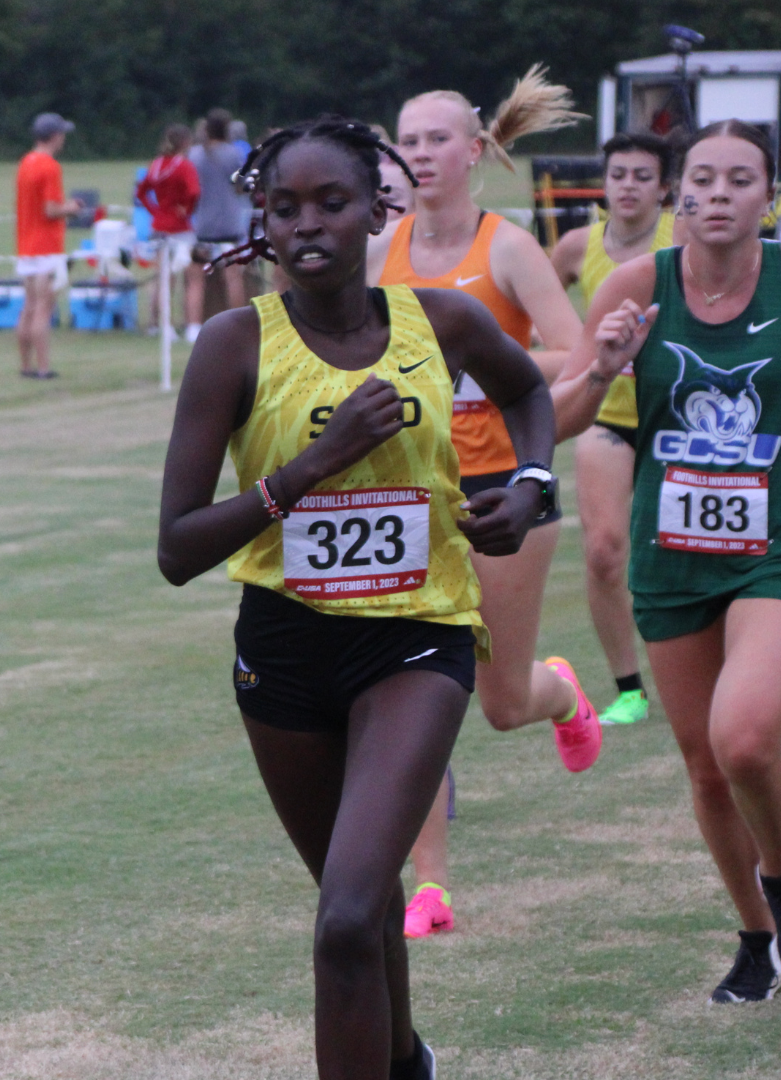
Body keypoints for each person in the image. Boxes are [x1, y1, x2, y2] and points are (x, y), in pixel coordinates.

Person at [158, 116, 556, 1080]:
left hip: (416, 641)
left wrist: (532, 488)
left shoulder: (440, 324)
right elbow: (176, 549)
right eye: (284, 207)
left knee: (344, 921)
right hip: (285, 653)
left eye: (330, 203)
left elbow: (530, 394)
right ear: (260, 222)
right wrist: (315, 465)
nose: (307, 226)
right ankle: (406, 1062)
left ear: (378, 211)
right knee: (365, 910)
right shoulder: (232, 343)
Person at [554, 121, 781, 1002]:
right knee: (705, 766)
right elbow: (565, 415)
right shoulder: (639, 282)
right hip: (672, 553)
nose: (718, 194)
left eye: (740, 179)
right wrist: (605, 363)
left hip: (770, 551)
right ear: (678, 195)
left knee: (747, 738)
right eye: (703, 180)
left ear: (768, 196)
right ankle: (757, 941)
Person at [371, 69, 596, 940]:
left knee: (500, 703)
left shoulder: (506, 247)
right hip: (407, 494)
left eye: (436, 140)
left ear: (474, 151)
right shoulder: (376, 248)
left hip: (506, 491)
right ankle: (430, 886)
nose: (420, 154)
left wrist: (479, 360)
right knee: (407, 687)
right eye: (408, 140)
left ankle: (562, 694)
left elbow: (574, 362)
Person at [548, 133, 681, 728]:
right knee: (604, 552)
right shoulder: (575, 246)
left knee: (685, 554)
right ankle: (629, 689)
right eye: (618, 174)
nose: (628, 185)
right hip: (607, 417)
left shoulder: (682, 237)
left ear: (665, 188)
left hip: (677, 419)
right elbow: (547, 335)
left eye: (642, 175)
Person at [15, 112, 81, 379]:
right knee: (44, 308)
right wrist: (72, 208)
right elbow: (51, 209)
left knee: (29, 307)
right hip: (47, 247)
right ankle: (43, 368)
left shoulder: (26, 162)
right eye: (62, 133)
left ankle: (25, 365)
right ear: (54, 136)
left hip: (26, 245)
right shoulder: (50, 166)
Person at [137, 123, 201, 340]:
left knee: (165, 279)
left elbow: (142, 191)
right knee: (193, 279)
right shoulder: (184, 165)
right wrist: (187, 210)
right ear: (185, 143)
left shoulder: (155, 164)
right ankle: (193, 326)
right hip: (181, 228)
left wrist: (154, 211)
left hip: (159, 226)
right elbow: (194, 191)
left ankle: (166, 327)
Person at [190, 109, 252, 319]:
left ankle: (193, 325)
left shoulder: (195, 154)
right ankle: (237, 319)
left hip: (203, 223)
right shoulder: (233, 154)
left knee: (197, 279)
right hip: (229, 223)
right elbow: (241, 186)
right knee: (233, 276)